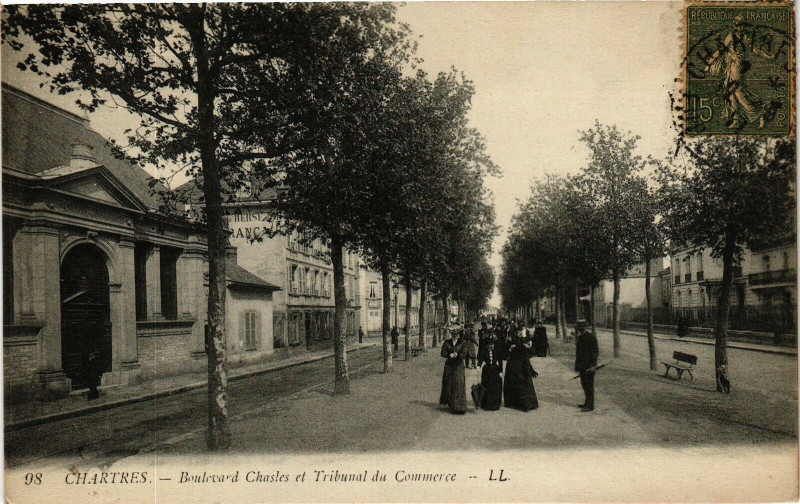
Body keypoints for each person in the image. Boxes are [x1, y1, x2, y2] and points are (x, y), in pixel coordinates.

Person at [503, 333, 538, 412]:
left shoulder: (524, 343)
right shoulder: (510, 343)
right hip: (513, 366)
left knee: (525, 383)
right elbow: (504, 355)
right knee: (516, 383)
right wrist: (510, 349)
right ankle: (518, 403)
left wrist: (528, 347)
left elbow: (531, 353)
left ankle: (527, 403)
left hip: (522, 365)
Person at [439, 324, 468, 414]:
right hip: (449, 366)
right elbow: (442, 353)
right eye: (452, 334)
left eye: (456, 334)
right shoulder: (447, 342)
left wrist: (458, 355)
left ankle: (459, 406)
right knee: (449, 383)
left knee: (459, 383)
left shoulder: (463, 342)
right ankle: (451, 403)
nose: (454, 335)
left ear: (458, 334)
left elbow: (465, 353)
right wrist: (449, 354)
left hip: (458, 365)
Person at [574, 320, 599, 412]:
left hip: (589, 366)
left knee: (589, 385)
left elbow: (595, 352)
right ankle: (586, 402)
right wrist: (577, 365)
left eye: (582, 326)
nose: (580, 328)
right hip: (582, 366)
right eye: (579, 327)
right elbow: (578, 353)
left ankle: (590, 405)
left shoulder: (590, 337)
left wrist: (593, 365)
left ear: (585, 327)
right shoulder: (580, 337)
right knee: (584, 385)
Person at [477, 337, 503, 410]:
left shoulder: (497, 351)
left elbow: (500, 362)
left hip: (495, 370)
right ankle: (486, 404)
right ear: (487, 345)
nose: (491, 346)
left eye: (492, 344)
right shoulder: (484, 352)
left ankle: (495, 404)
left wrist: (500, 371)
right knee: (486, 386)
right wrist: (478, 366)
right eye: (489, 344)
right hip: (487, 370)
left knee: (495, 387)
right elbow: (480, 359)